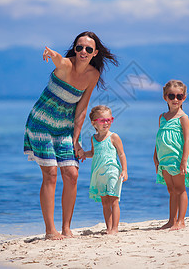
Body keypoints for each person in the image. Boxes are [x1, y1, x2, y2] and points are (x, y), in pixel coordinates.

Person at [24, 31, 119, 240]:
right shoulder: (65, 65)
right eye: (79, 47)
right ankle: (50, 230)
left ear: (94, 53)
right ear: (74, 49)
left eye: (88, 49)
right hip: (41, 123)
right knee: (50, 174)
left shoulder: (93, 75)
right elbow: (58, 59)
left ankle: (66, 228)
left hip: (65, 128)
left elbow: (82, 108)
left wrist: (76, 140)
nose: (83, 51)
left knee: (72, 175)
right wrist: (51, 53)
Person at [153, 80, 189, 231]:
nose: (175, 100)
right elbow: (159, 137)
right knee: (171, 190)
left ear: (184, 98)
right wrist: (155, 155)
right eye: (171, 96)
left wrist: (184, 160)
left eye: (179, 96)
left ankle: (181, 221)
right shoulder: (162, 117)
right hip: (164, 158)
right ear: (165, 97)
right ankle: (171, 221)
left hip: (177, 158)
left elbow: (187, 139)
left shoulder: (183, 117)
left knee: (180, 189)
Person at [82, 105, 128, 234]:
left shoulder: (114, 137)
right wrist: (84, 154)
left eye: (109, 120)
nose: (106, 123)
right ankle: (108, 227)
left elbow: (121, 154)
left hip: (113, 172)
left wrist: (124, 170)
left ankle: (115, 228)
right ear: (94, 123)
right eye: (102, 120)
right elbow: (93, 152)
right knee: (105, 202)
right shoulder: (94, 138)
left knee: (114, 200)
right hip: (99, 174)